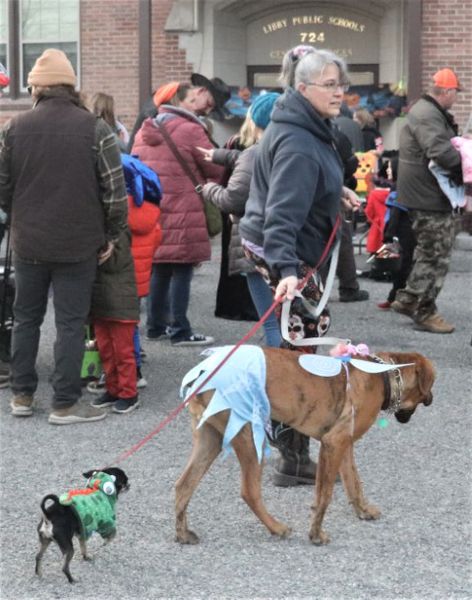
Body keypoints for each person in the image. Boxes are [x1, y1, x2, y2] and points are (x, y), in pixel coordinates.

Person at [239, 46, 360, 486]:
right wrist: (287, 271)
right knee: (297, 355)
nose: (339, 92)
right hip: (285, 255)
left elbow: (311, 182)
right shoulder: (298, 141)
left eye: (341, 84)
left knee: (296, 351)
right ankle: (291, 459)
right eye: (330, 85)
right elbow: (281, 215)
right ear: (303, 87)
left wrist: (337, 193)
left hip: (288, 251)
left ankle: (291, 453)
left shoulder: (312, 126)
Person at [0, 48, 128, 424]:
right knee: (70, 323)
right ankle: (65, 403)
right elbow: (115, 192)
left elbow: (2, 187)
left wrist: (21, 213)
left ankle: (22, 396)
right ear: (71, 87)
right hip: (79, 243)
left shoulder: (13, 127)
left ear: (35, 89)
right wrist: (111, 234)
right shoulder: (95, 127)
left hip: (28, 242)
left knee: (26, 319)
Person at [132, 83, 224, 346]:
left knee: (159, 267)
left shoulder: (144, 130)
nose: (198, 100)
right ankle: (180, 330)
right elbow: (215, 169)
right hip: (184, 208)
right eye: (193, 97)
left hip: (153, 208)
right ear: (181, 101)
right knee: (182, 268)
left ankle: (154, 326)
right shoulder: (191, 130)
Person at [199, 92, 282, 347]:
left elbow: (232, 200)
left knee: (270, 322)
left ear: (256, 123)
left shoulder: (255, 153)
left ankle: (278, 374)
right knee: (290, 318)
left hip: (255, 242)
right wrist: (219, 155)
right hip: (290, 245)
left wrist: (205, 189)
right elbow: (246, 160)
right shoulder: (292, 149)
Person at [391, 67, 463, 333]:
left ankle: (409, 299)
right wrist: (465, 167)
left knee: (428, 252)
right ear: (445, 91)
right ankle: (424, 311)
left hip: (424, 194)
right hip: (428, 196)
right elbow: (440, 152)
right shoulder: (428, 114)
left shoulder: (425, 112)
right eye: (455, 92)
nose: (456, 97)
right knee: (437, 255)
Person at [89, 228, 140, 414]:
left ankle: (129, 393)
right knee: (106, 351)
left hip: (120, 303)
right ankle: (113, 389)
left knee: (123, 352)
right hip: (101, 301)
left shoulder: (120, 231)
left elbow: (115, 263)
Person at [377, 155, 417, 309]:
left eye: (389, 168)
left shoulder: (400, 187)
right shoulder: (408, 185)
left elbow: (396, 212)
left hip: (403, 230)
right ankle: (395, 297)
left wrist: (388, 233)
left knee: (402, 266)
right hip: (408, 229)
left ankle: (396, 298)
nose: (387, 171)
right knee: (405, 264)